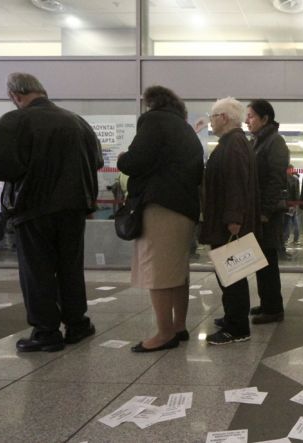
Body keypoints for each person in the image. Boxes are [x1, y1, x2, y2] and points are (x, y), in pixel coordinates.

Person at [0, 73, 103, 352]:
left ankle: (46, 332)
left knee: (36, 270)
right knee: (70, 268)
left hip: (33, 208)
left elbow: (0, 166)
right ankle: (77, 324)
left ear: (15, 96)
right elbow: (97, 161)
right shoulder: (78, 122)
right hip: (74, 207)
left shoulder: (14, 121)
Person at [117, 85, 203, 353]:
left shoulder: (154, 121)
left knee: (159, 271)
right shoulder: (185, 129)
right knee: (178, 271)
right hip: (185, 208)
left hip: (161, 205)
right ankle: (178, 326)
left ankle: (164, 333)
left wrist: (122, 159)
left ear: (151, 103)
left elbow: (135, 161)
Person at [200, 97, 261, 344]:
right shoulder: (233, 142)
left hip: (229, 223)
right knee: (230, 275)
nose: (211, 122)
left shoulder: (233, 144)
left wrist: (234, 218)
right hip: (227, 220)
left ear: (223, 118)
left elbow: (236, 182)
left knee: (232, 275)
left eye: (213, 117)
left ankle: (237, 327)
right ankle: (232, 317)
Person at [244, 99, 289, 324]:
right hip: (259, 211)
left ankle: (274, 309)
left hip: (268, 213)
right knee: (261, 260)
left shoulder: (274, 142)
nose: (246, 120)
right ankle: (267, 303)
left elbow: (276, 180)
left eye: (251, 116)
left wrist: (264, 211)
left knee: (268, 259)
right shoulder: (260, 141)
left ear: (265, 119)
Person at [282, 164, 301, 249]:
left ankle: (285, 240)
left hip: (286, 204)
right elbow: (296, 193)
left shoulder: (284, 179)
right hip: (292, 204)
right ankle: (295, 238)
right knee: (293, 221)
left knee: (286, 223)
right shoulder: (294, 179)